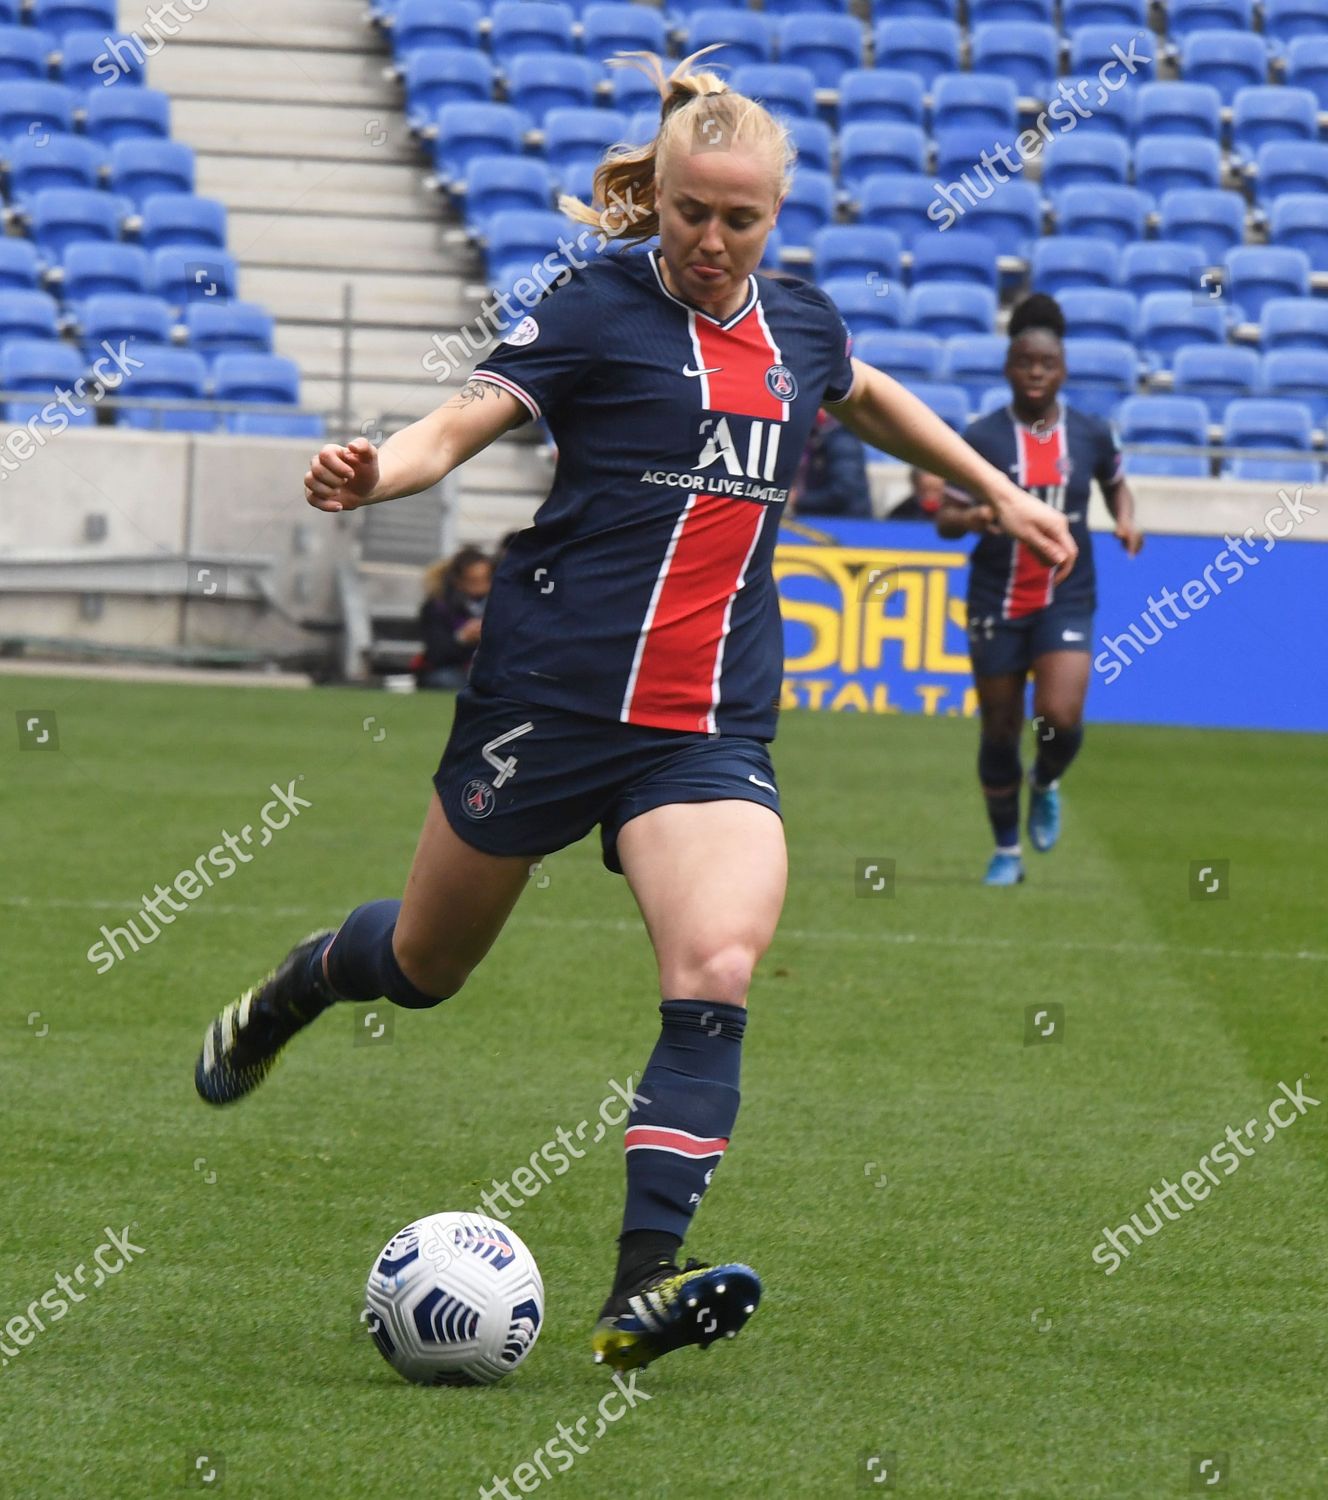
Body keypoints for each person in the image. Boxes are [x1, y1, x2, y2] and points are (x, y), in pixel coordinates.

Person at [193, 48, 1074, 1374]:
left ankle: (638, 1291)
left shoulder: (802, 325)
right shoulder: (594, 307)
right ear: (653, 199)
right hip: (545, 704)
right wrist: (380, 470)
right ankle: (301, 988)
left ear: (775, 217)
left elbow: (867, 394)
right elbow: (462, 422)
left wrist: (997, 491)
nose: (715, 241)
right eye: (691, 214)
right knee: (425, 970)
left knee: (716, 969)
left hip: (708, 729)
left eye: (742, 220)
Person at [935, 293, 1143, 887]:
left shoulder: (1092, 433)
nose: (1034, 374)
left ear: (1063, 371)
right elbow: (945, 519)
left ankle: (1046, 781)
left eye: (1045, 365)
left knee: (1059, 714)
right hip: (996, 597)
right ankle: (1007, 851)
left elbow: (1116, 484)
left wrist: (1126, 518)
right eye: (1024, 363)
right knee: (999, 729)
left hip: (1066, 593)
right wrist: (975, 518)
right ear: (1007, 368)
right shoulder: (980, 437)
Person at [415, 546, 492, 690]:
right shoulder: (438, 607)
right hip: (454, 670)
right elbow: (436, 654)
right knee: (444, 678)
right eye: (474, 581)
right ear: (459, 580)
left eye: (486, 580)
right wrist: (462, 637)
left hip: (489, 672)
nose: (482, 587)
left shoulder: (500, 605)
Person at [787, 408, 872, 518]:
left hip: (846, 523)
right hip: (816, 520)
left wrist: (798, 499)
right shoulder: (813, 437)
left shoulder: (842, 441)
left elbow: (844, 492)